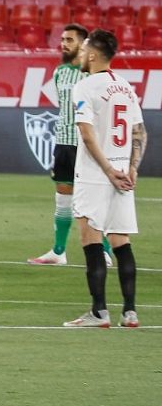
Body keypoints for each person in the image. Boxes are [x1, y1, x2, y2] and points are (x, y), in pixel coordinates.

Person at [63, 29, 145, 328]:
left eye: (84, 50)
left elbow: (86, 133)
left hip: (97, 175)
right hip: (125, 174)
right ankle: (130, 312)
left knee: (91, 239)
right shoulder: (125, 86)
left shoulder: (84, 86)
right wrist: (132, 168)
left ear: (94, 54)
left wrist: (108, 170)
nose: (80, 55)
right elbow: (139, 132)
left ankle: (99, 312)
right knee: (121, 241)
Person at [29, 24, 108, 266]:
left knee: (92, 200)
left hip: (86, 145)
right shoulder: (60, 72)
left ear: (83, 44)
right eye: (62, 39)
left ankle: (104, 251)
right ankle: (58, 251)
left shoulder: (92, 75)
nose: (64, 44)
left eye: (70, 40)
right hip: (62, 143)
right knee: (63, 198)